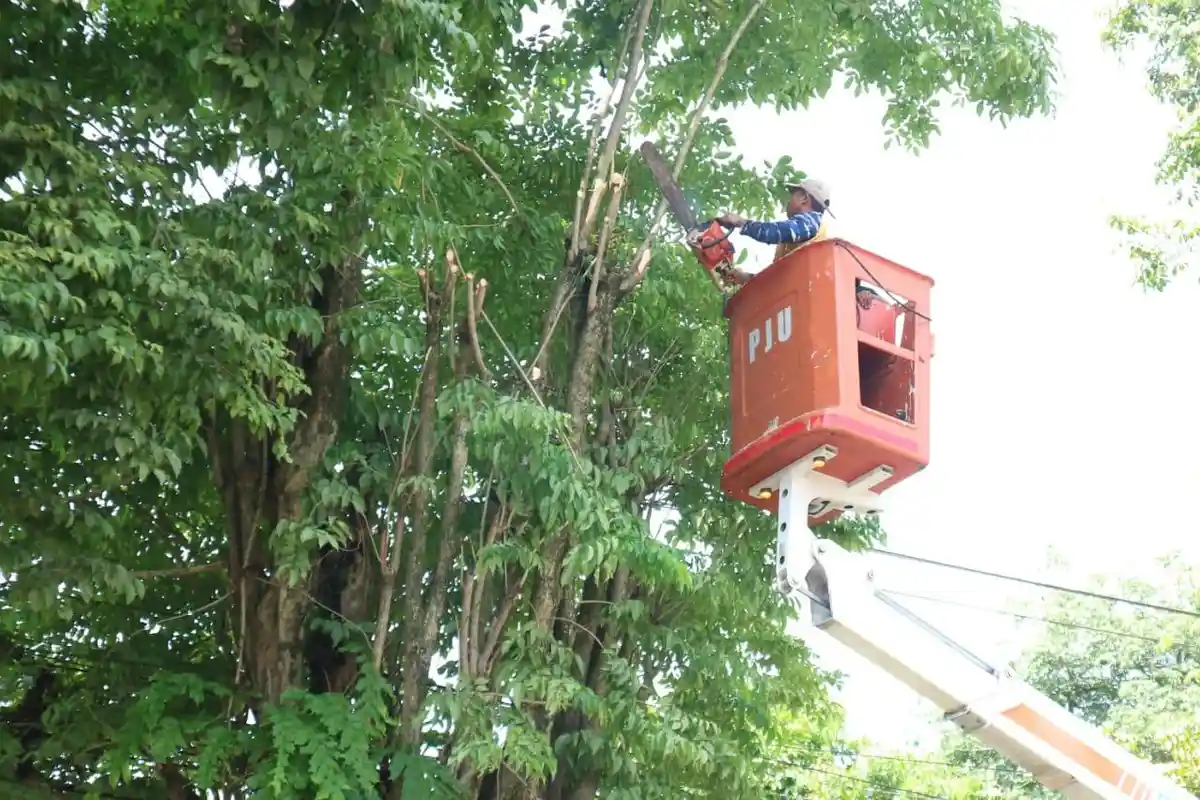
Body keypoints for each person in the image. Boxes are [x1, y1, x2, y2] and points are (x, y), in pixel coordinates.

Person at [717, 177, 833, 285]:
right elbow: (776, 281)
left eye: (791, 195)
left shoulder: (811, 222)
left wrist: (741, 222)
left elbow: (775, 232)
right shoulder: (793, 240)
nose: (787, 201)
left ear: (804, 198)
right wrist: (746, 278)